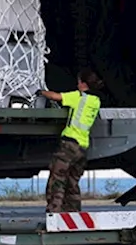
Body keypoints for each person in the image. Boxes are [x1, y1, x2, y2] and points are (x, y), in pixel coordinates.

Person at [39, 68, 105, 213]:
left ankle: (54, 211)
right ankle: (74, 213)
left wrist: (41, 92)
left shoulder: (79, 97)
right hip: (83, 147)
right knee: (72, 182)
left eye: (78, 82)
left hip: (70, 145)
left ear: (83, 84)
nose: (77, 85)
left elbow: (56, 96)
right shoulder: (95, 101)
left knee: (57, 178)